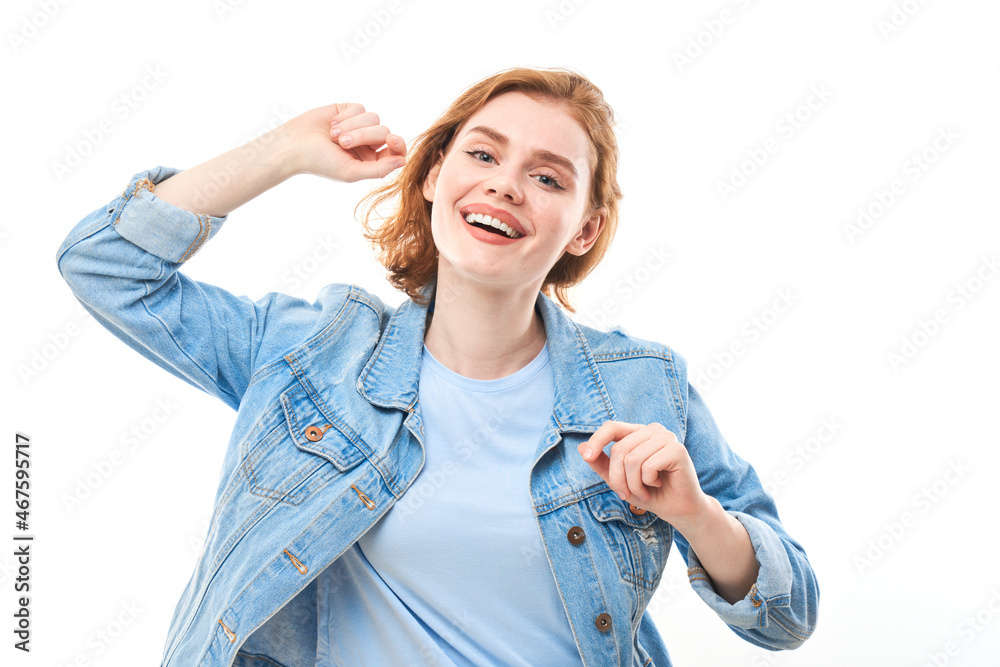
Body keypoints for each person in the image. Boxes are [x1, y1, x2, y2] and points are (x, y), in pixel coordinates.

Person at [57, 66, 818, 666]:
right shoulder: (309, 351)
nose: (505, 183)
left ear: (584, 229)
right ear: (432, 177)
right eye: (482, 153)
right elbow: (105, 265)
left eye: (548, 177)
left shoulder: (644, 386)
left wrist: (695, 514)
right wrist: (285, 151)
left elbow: (790, 615)